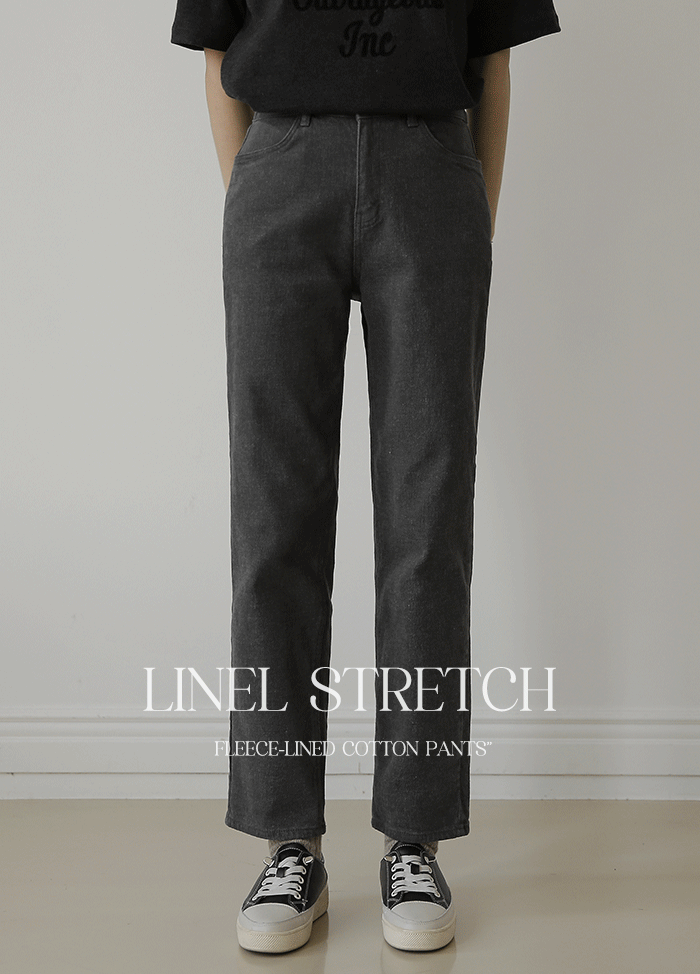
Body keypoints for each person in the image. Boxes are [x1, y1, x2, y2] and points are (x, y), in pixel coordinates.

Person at [170, 0, 561, 954]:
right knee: (275, 520)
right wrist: (255, 186)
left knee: (429, 521)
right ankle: (287, 842)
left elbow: (494, 63)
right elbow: (216, 50)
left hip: (431, 170)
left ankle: (413, 839)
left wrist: (471, 212)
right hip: (279, 165)